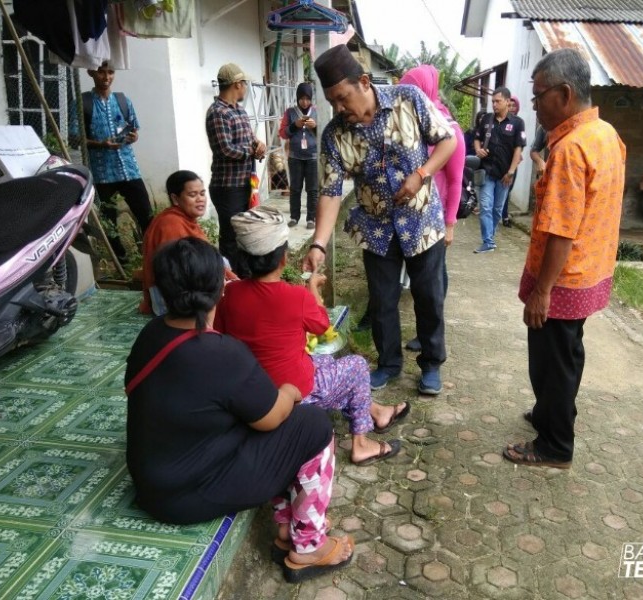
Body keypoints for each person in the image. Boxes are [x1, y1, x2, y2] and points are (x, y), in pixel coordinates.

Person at [125, 237, 354, 583]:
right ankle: (308, 545)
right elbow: (272, 418)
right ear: (220, 288)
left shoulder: (150, 335)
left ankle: (288, 526)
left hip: (152, 483)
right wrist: (290, 391)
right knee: (312, 425)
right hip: (190, 494)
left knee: (273, 424)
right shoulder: (220, 352)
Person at [304, 45, 457, 396]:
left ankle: (431, 363)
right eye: (332, 103)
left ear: (363, 82)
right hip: (376, 228)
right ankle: (388, 364)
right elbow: (329, 191)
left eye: (343, 98)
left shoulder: (408, 98)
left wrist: (421, 173)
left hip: (422, 221)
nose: (340, 109)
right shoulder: (334, 135)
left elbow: (447, 141)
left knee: (428, 296)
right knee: (383, 300)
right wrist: (318, 244)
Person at [503, 48, 626, 469]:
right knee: (567, 353)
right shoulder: (607, 134)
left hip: (564, 278)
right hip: (590, 271)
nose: (534, 105)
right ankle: (553, 414)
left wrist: (542, 292)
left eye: (538, 96)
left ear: (566, 94)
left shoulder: (572, 148)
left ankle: (554, 444)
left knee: (551, 362)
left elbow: (560, 229)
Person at [215, 206, 410, 465]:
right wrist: (312, 289)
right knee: (357, 366)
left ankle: (376, 411)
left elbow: (222, 331)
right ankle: (361, 445)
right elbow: (324, 329)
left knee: (326, 363)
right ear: (283, 257)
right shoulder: (297, 297)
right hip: (294, 395)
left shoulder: (231, 295)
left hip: (257, 389)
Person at [398, 64, 466, 353]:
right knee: (422, 279)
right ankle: (424, 331)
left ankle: (430, 336)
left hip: (435, 219)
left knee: (434, 281)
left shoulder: (450, 131)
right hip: (412, 215)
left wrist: (450, 224)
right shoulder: (412, 127)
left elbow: (455, 180)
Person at [73, 61, 152, 263]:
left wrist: (134, 137)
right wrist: (100, 143)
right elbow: (74, 138)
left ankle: (151, 255)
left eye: (110, 72)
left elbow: (135, 129)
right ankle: (121, 261)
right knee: (109, 220)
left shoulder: (123, 100)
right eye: (101, 72)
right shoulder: (83, 103)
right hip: (102, 172)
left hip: (129, 169)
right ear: (91, 72)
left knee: (146, 214)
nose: (106, 77)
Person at [138, 170, 237, 315]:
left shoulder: (184, 219)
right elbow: (180, 271)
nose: (200, 199)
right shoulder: (170, 224)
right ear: (175, 199)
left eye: (202, 194)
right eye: (192, 195)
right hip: (173, 297)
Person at [205, 63, 267, 265]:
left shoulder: (239, 111)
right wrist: (251, 151)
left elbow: (249, 138)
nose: (246, 88)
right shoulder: (218, 113)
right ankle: (231, 281)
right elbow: (225, 149)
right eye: (245, 84)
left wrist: (258, 144)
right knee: (231, 238)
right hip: (228, 187)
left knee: (245, 233)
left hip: (245, 183)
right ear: (237, 84)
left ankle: (244, 276)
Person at [473, 87, 526, 253]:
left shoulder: (517, 123)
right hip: (487, 171)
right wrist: (478, 150)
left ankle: (491, 235)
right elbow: (477, 138)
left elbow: (519, 149)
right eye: (493, 101)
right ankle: (488, 241)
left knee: (497, 209)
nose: (494, 104)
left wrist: (511, 171)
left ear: (507, 102)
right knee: (486, 207)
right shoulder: (487, 120)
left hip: (505, 174)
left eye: (497, 101)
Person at [280, 83, 319, 228]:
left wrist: (315, 127)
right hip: (295, 156)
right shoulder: (290, 112)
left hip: (312, 156)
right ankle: (294, 217)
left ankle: (311, 219)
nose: (304, 102)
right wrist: (294, 125)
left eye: (307, 99)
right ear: (297, 98)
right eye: (301, 99)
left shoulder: (316, 112)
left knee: (312, 189)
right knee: (295, 188)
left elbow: (323, 135)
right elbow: (283, 133)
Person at [501, 95, 524, 228]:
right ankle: (498, 215)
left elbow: (519, 144)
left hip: (512, 165)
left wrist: (518, 156)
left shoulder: (519, 123)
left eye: (514, 106)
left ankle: (504, 216)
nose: (512, 108)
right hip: (499, 163)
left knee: (507, 191)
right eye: (509, 105)